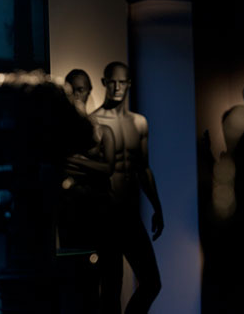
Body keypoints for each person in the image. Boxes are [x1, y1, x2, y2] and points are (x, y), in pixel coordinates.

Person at [89, 61, 163, 313]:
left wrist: (157, 207)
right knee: (111, 288)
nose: (117, 87)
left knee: (152, 282)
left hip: (130, 215)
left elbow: (143, 168)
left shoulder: (139, 123)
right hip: (105, 216)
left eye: (122, 82)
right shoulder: (93, 123)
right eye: (112, 81)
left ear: (129, 84)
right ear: (104, 83)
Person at [59, 69, 121, 313]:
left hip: (103, 214)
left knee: (111, 282)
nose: (76, 95)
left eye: (81, 89)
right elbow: (61, 165)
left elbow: (107, 168)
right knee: (82, 287)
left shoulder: (102, 130)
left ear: (89, 91)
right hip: (76, 218)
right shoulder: (61, 133)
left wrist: (77, 161)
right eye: (71, 90)